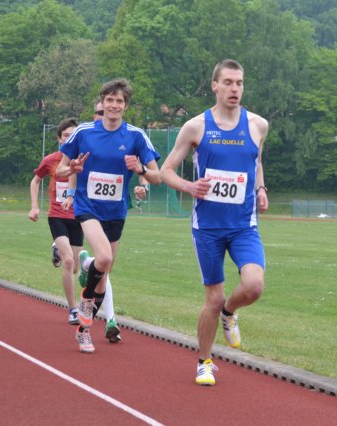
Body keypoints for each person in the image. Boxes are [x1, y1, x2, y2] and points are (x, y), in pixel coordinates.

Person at [160, 59, 269, 386]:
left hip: (243, 225)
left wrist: (261, 188)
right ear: (215, 86)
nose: (235, 89)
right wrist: (189, 186)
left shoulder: (258, 125)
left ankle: (229, 312)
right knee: (213, 298)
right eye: (229, 82)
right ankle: (204, 361)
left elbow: (256, 161)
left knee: (254, 286)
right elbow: (166, 170)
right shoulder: (196, 127)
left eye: (240, 83)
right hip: (207, 228)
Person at [57, 78, 161, 353]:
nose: (114, 105)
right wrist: (73, 169)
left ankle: (83, 331)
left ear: (126, 105)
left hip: (116, 211)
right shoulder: (84, 132)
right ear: (102, 103)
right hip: (87, 207)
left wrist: (140, 170)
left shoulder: (136, 136)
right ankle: (86, 301)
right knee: (104, 258)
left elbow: (157, 176)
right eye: (110, 100)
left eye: (119, 101)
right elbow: (60, 170)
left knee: (103, 275)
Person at [28, 118, 82, 324]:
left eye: (73, 135)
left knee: (75, 268)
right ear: (59, 139)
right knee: (68, 262)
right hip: (57, 215)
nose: (70, 139)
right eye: (66, 136)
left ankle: (57, 249)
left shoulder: (84, 159)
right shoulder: (51, 160)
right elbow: (35, 181)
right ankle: (73, 309)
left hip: (79, 217)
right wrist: (34, 206)